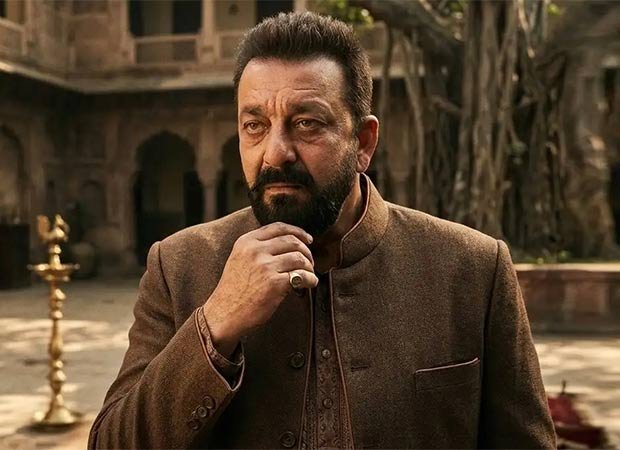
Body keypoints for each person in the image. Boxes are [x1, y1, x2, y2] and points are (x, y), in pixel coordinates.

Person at [89, 11, 556, 449]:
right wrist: (214, 326)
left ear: (363, 142)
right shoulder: (179, 266)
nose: (276, 152)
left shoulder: (471, 270)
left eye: (306, 124)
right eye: (254, 125)